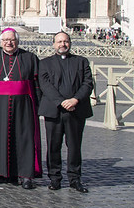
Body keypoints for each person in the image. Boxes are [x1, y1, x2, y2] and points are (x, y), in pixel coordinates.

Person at [38, 31, 93, 193]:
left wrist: (75, 99)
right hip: (54, 110)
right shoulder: (45, 63)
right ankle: (55, 179)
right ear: (53, 44)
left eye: (66, 41)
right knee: (53, 146)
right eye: (59, 41)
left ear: (70, 43)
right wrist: (61, 101)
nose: (63, 44)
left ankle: (75, 179)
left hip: (76, 110)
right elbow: (45, 85)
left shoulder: (81, 61)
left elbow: (88, 83)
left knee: (74, 146)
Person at [0, 28, 41, 189]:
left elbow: (37, 84)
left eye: (12, 40)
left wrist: (38, 104)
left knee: (24, 137)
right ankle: (2, 173)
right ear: (0, 42)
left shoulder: (29, 57)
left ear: (17, 41)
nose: (9, 43)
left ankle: (25, 175)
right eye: (5, 40)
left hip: (23, 104)